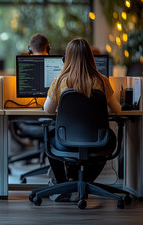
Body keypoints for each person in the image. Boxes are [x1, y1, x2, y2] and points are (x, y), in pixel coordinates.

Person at [43, 38, 121, 200]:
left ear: (68, 58)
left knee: (50, 137)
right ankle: (84, 182)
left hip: (65, 142)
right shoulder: (102, 81)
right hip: (98, 143)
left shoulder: (59, 81)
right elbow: (118, 110)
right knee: (110, 138)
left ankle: (64, 186)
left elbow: (48, 109)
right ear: (90, 57)